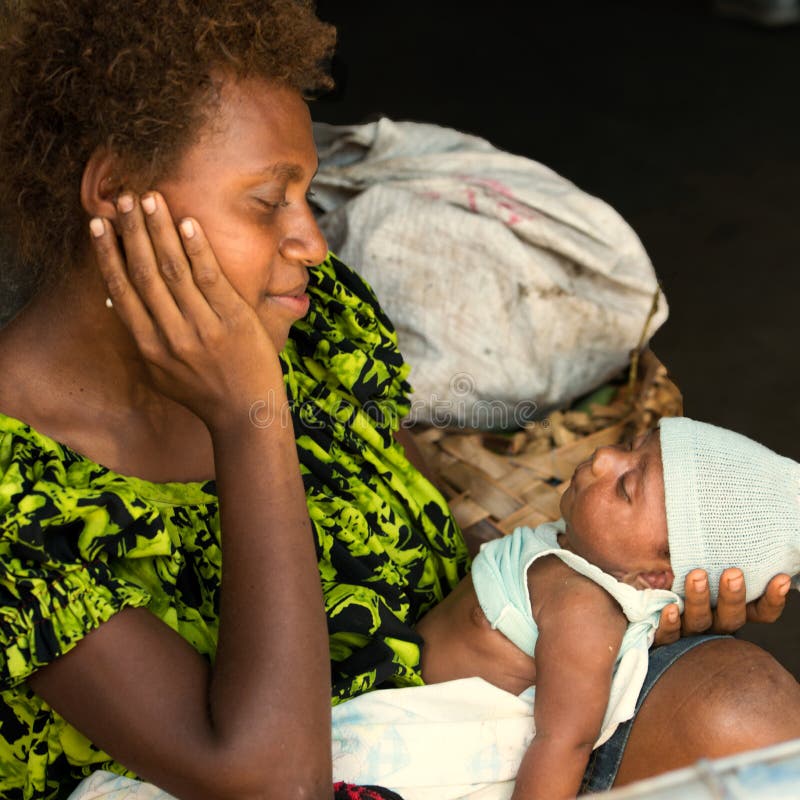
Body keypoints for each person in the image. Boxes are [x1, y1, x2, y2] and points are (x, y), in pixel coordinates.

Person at [0, 1, 796, 799]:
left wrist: (601, 587)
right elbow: (275, 784)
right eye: (267, 199)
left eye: (307, 195)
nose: (311, 241)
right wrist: (251, 418)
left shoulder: (303, 317)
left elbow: (427, 515)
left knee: (745, 712)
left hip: (474, 736)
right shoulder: (17, 497)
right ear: (116, 192)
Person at [412, 416, 800, 799]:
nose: (603, 459)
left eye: (626, 487)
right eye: (630, 446)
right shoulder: (567, 550)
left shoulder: (584, 611)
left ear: (651, 578)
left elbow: (564, 743)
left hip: (429, 763)